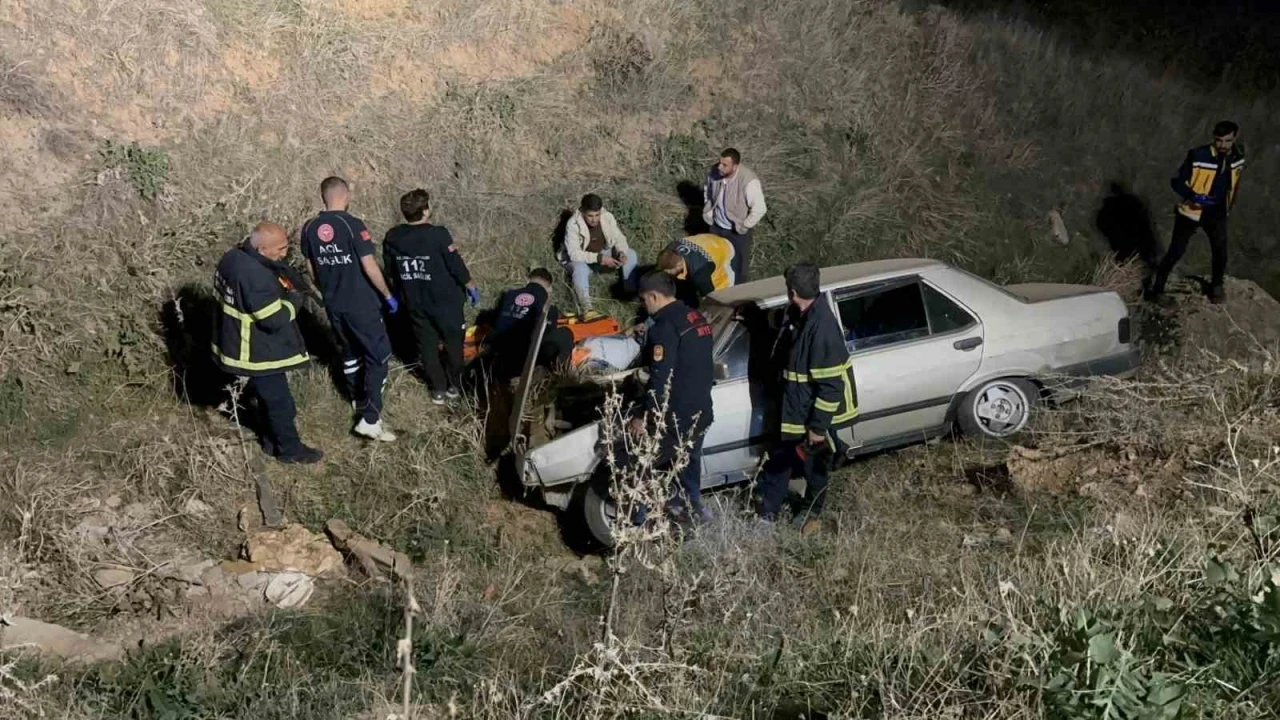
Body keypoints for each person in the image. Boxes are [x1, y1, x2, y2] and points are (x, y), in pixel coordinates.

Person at [756, 263, 858, 536]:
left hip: (811, 415)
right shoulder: (799, 313)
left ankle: (811, 512)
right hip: (795, 408)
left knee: (814, 468)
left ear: (792, 291)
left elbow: (830, 387)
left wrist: (817, 428)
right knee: (780, 459)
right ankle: (767, 514)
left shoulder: (822, 328)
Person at [213, 222, 322, 464]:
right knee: (280, 403)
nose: (284, 254)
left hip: (234, 339)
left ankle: (271, 442)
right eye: (280, 249)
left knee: (267, 398)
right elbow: (274, 319)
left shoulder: (231, 258)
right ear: (261, 249)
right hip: (256, 350)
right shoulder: (255, 276)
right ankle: (290, 451)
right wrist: (294, 301)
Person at [299, 176, 397, 442]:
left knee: (350, 351)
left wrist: (327, 290)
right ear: (346, 195)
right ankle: (371, 418)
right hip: (361, 304)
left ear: (324, 197)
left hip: (334, 304)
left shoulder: (309, 228)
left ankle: (357, 398)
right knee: (378, 355)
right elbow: (369, 266)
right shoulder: (351, 225)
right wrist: (387, 294)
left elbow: (310, 268)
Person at [625, 271, 715, 523]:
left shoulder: (664, 328)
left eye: (643, 300)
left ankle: (638, 523)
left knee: (644, 464)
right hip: (700, 409)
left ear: (653, 296)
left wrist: (642, 416)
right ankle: (693, 511)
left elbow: (660, 379)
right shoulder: (696, 317)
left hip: (676, 416)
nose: (643, 306)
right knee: (689, 462)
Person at [382, 188, 480, 404]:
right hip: (445, 302)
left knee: (426, 346)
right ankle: (455, 385)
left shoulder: (393, 237)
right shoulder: (438, 234)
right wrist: (470, 285)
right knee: (454, 344)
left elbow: (390, 271)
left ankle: (437, 389)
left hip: (414, 302)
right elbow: (455, 265)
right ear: (425, 210)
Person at [1147, 121, 1246, 305]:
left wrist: (1229, 204)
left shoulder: (1238, 155)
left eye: (1227, 141)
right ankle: (1156, 290)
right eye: (1219, 141)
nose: (1223, 145)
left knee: (1220, 251)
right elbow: (1176, 181)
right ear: (1213, 138)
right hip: (1191, 212)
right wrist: (1193, 196)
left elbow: (1235, 182)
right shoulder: (1199, 155)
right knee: (1175, 252)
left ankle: (1217, 287)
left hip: (1217, 212)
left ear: (1235, 137)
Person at [483, 268, 575, 380]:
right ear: (549, 288)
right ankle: (560, 375)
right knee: (565, 333)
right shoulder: (548, 306)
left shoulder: (509, 295)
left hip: (497, 353)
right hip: (523, 358)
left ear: (528, 280)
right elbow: (546, 334)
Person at [561, 193, 638, 310]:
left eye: (597, 215)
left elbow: (619, 238)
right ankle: (587, 308)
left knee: (630, 253)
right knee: (579, 269)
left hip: (603, 253)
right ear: (582, 212)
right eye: (590, 216)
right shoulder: (573, 224)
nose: (594, 219)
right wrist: (599, 258)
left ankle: (629, 293)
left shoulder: (607, 217)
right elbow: (574, 254)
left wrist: (621, 252)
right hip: (583, 260)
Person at [702, 148, 766, 282]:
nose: (720, 167)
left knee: (739, 269)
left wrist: (745, 226)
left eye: (725, 165)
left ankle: (739, 296)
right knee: (714, 262)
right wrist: (708, 210)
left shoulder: (748, 180)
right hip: (716, 227)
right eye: (720, 163)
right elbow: (708, 190)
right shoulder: (714, 172)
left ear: (735, 166)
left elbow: (760, 208)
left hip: (736, 231)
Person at [656, 232, 737, 307]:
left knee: (720, 299)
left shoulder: (700, 274)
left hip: (725, 251)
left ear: (679, 265)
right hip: (711, 241)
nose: (666, 274)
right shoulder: (671, 247)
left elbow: (711, 298)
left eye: (669, 272)